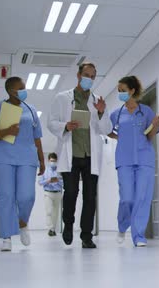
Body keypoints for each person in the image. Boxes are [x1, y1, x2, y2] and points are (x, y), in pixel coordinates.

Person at [47, 62, 112, 249]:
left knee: (90, 196)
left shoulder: (98, 100)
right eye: (86, 75)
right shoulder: (62, 98)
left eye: (93, 76)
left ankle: (86, 235)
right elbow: (51, 122)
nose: (89, 79)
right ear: (78, 75)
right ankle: (68, 225)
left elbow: (105, 129)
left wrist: (100, 112)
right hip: (71, 154)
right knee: (71, 193)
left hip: (91, 154)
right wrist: (65, 126)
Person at [0, 76, 45, 251]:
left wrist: (42, 159)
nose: (25, 91)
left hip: (27, 158)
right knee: (6, 197)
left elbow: (37, 136)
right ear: (11, 91)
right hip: (2, 158)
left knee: (27, 196)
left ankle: (22, 222)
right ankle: (6, 237)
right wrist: (6, 131)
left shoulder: (31, 110)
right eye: (21, 88)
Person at [108, 76, 159, 247]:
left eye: (123, 90)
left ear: (132, 90)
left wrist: (155, 126)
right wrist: (119, 137)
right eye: (119, 91)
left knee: (142, 197)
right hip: (124, 159)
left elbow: (150, 136)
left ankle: (138, 236)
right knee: (127, 198)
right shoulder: (116, 114)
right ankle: (123, 226)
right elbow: (106, 130)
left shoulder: (146, 111)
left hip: (144, 158)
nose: (120, 94)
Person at [38, 153, 63, 236]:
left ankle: (53, 229)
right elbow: (40, 182)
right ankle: (50, 228)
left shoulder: (60, 171)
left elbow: (64, 182)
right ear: (49, 160)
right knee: (48, 211)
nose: (53, 162)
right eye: (52, 161)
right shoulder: (44, 170)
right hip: (48, 192)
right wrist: (48, 180)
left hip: (57, 193)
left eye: (55, 161)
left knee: (55, 213)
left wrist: (58, 181)